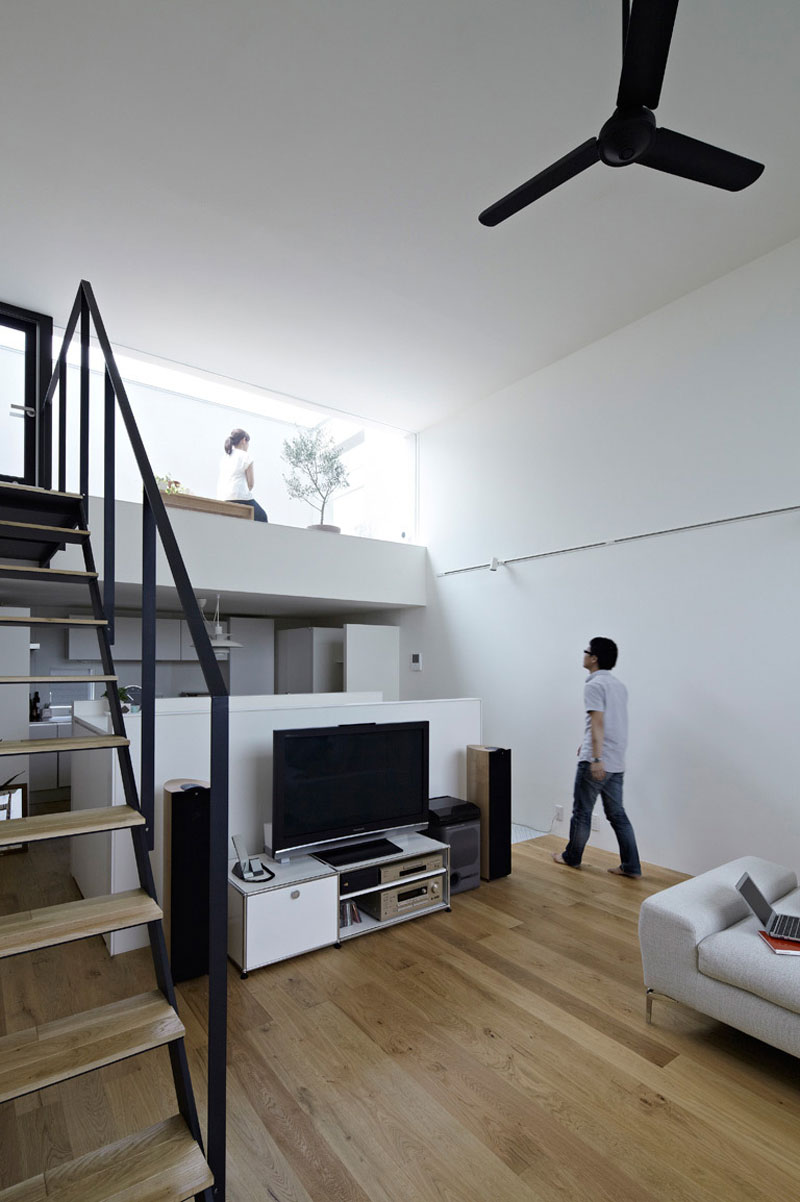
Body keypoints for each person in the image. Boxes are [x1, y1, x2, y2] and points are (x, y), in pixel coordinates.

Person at [553, 636, 642, 878]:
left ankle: (571, 857)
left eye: (586, 651)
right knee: (618, 815)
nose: (583, 654)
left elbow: (598, 721)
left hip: (598, 761)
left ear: (594, 658)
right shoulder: (619, 686)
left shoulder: (593, 685)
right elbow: (612, 723)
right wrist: (589, 744)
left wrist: (596, 758)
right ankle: (632, 866)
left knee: (581, 812)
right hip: (617, 761)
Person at [216, 428, 268, 522]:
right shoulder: (245, 456)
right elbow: (251, 484)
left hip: (223, 498)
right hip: (239, 497)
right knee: (262, 517)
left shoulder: (225, 457)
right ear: (244, 440)